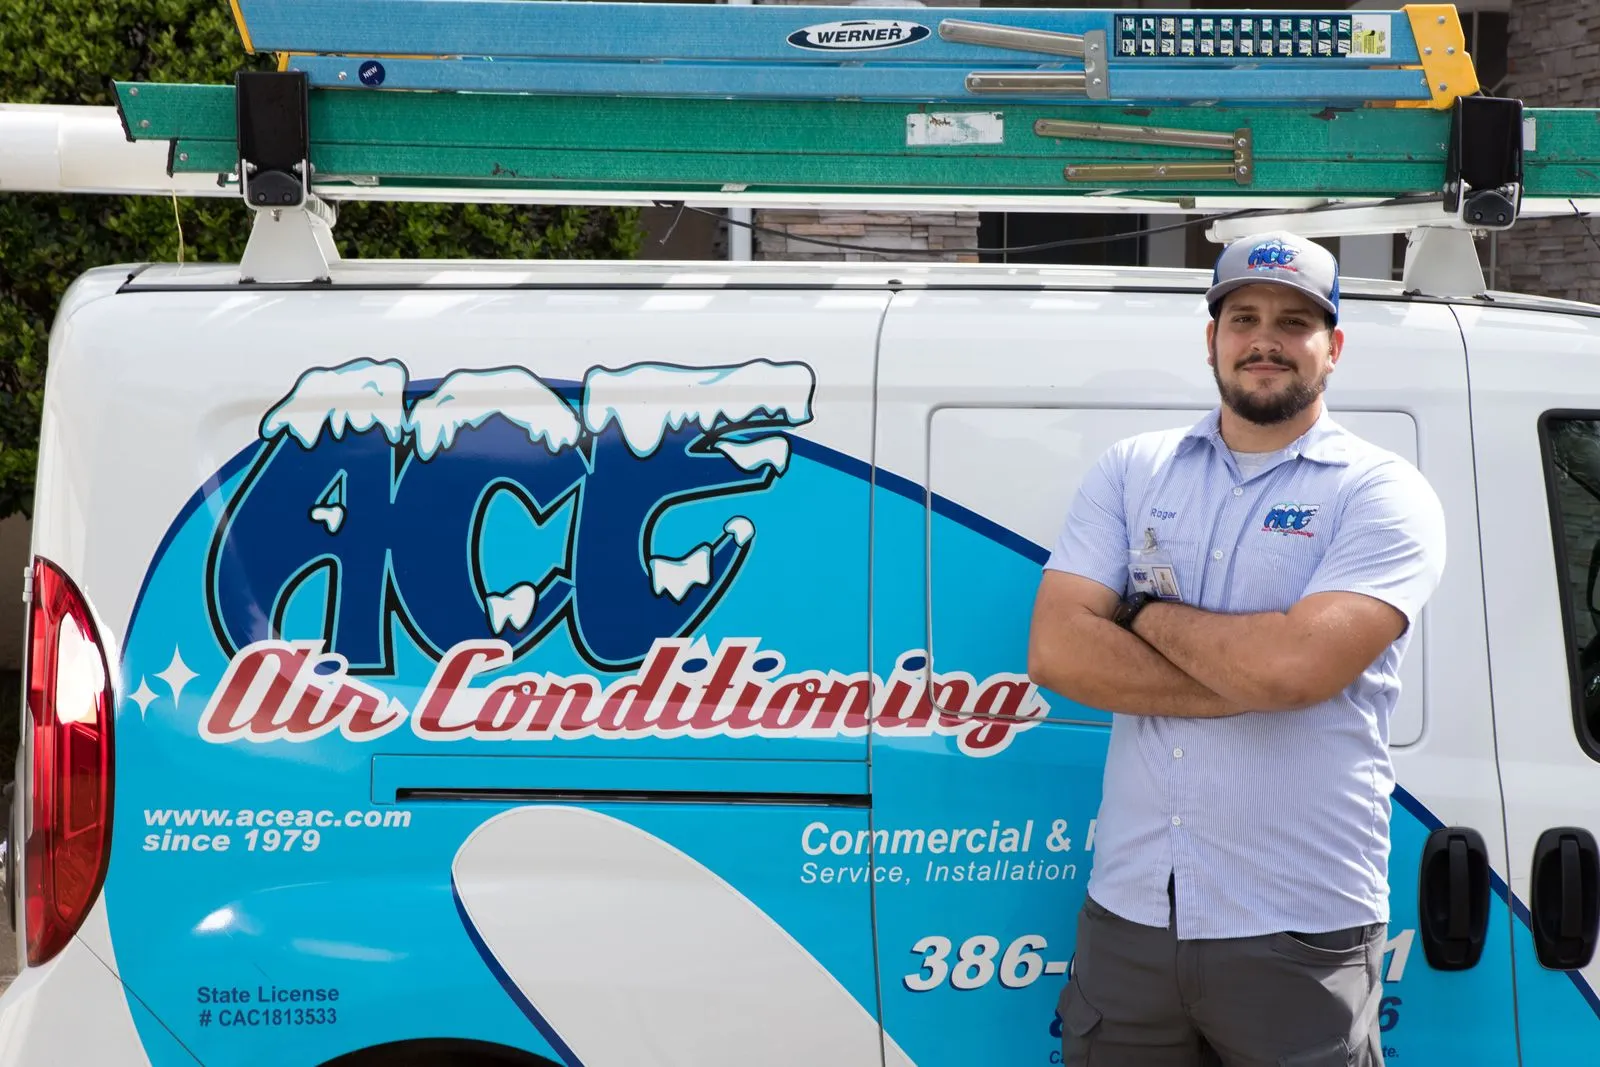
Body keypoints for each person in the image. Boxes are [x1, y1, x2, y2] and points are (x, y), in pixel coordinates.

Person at [1027, 231, 1446, 1067]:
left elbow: (1297, 668)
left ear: (1334, 346)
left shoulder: (1381, 490)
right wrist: (1254, 675)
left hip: (1298, 919)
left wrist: (1142, 612)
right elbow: (1058, 652)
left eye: (1295, 322)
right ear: (1211, 338)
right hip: (1133, 913)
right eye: (1243, 316)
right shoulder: (1133, 470)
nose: (1265, 339)